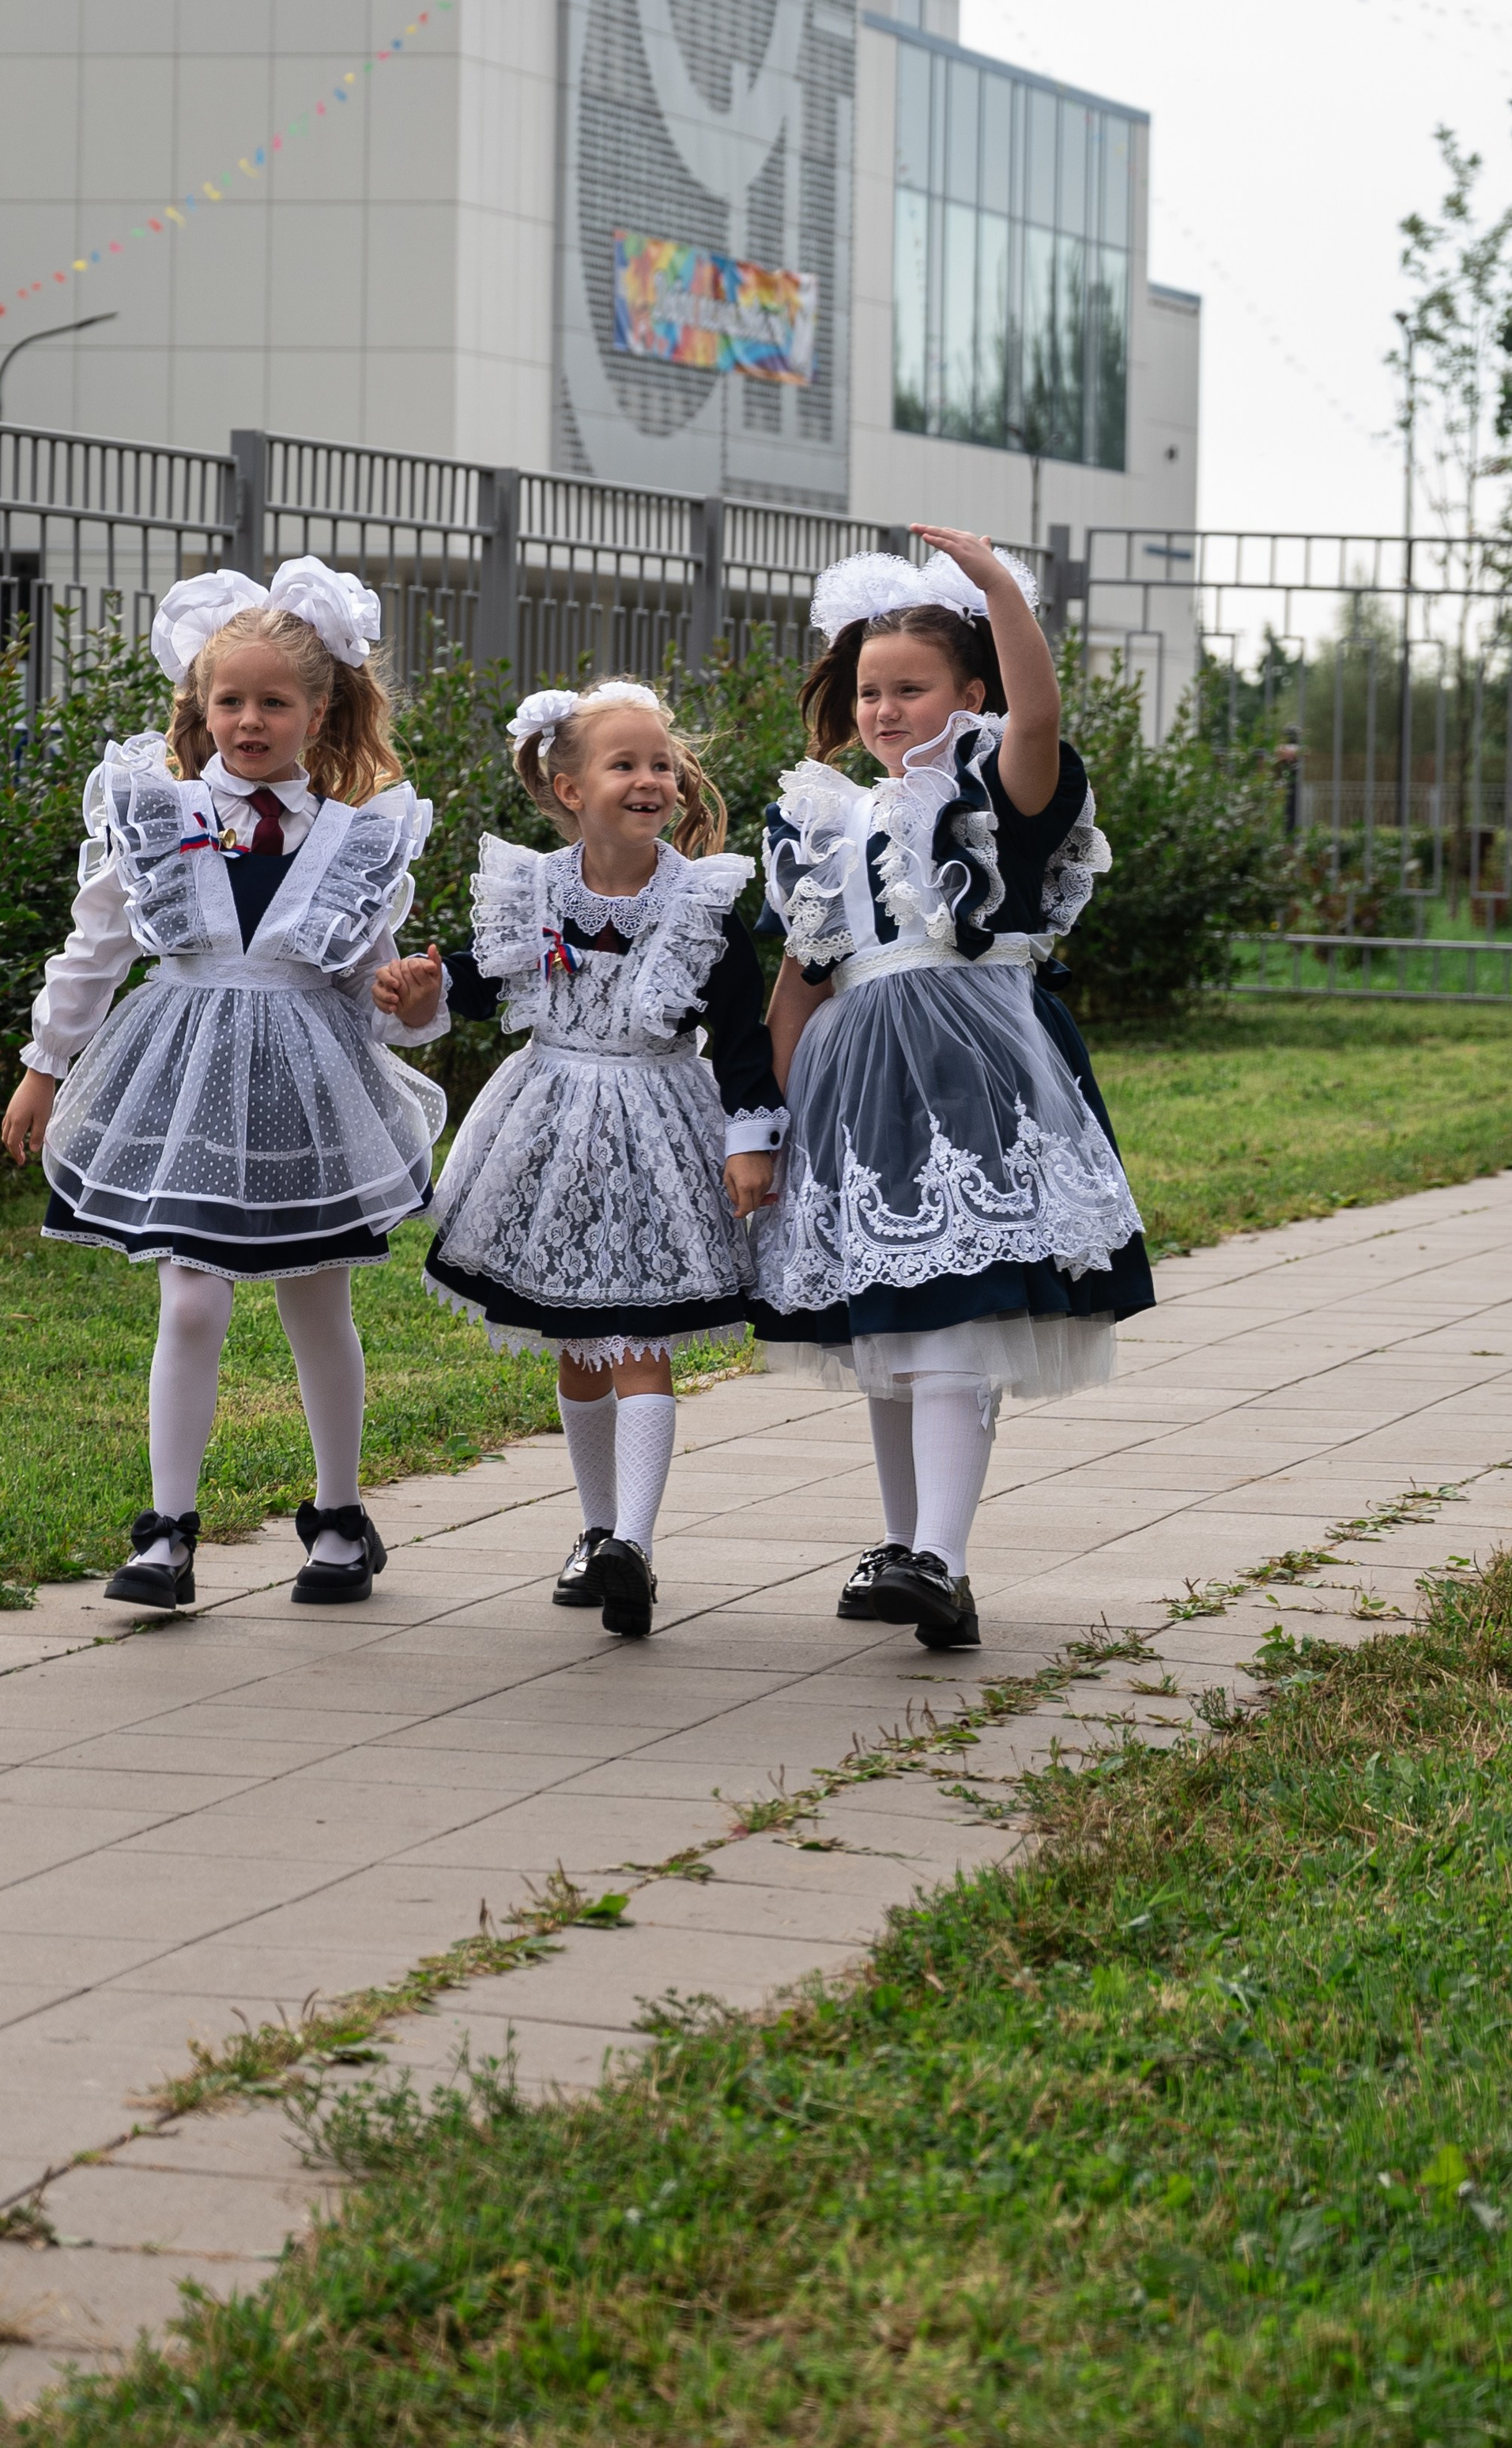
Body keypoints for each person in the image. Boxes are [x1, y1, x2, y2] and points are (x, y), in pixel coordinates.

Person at [2, 558, 446, 1614]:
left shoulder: (360, 835)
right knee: (192, 1300)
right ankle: (168, 1530)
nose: (250, 720)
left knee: (315, 1299)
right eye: (229, 699)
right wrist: (41, 1067)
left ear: (321, 707)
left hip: (309, 1083)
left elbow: (377, 993)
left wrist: (413, 994)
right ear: (199, 706)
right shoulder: (153, 813)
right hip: (184, 1073)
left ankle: (340, 1516)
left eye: (274, 700)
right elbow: (93, 948)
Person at [752, 528, 1154, 1652]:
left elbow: (1038, 717)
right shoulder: (820, 818)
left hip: (981, 1079)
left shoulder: (1000, 791)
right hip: (856, 1093)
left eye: (911, 687)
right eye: (870, 689)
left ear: (967, 690)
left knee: (961, 1320)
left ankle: (946, 1554)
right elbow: (799, 979)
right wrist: (781, 1122)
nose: (883, 708)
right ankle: (907, 1546)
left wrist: (997, 590)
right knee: (891, 1323)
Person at [375, 681, 786, 1640]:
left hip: (658, 1128)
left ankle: (633, 1545)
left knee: (640, 1342)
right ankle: (596, 1529)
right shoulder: (532, 890)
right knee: (577, 1349)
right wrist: (423, 989)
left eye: (661, 766)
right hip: (548, 1127)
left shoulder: (703, 903)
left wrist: (749, 1141)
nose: (650, 780)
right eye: (625, 764)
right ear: (566, 788)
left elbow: (738, 1035)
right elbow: (477, 987)